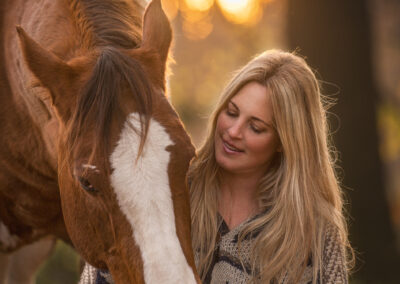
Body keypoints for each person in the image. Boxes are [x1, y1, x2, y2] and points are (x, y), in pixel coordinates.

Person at [80, 49, 352, 283]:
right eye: (231, 112)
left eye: (255, 127)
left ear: (285, 142)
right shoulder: (165, 190)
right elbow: (101, 273)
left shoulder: (315, 231)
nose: (233, 131)